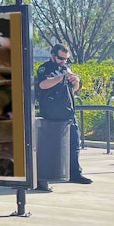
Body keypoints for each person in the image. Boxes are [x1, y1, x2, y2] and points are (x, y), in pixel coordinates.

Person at [36, 43, 92, 187]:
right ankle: (47, 175)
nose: (63, 61)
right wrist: (60, 77)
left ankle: (75, 174)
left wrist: (76, 82)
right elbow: (42, 85)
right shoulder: (45, 68)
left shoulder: (66, 68)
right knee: (50, 147)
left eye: (66, 59)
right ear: (53, 56)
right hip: (51, 114)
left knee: (74, 145)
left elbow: (73, 89)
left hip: (68, 113)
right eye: (61, 58)